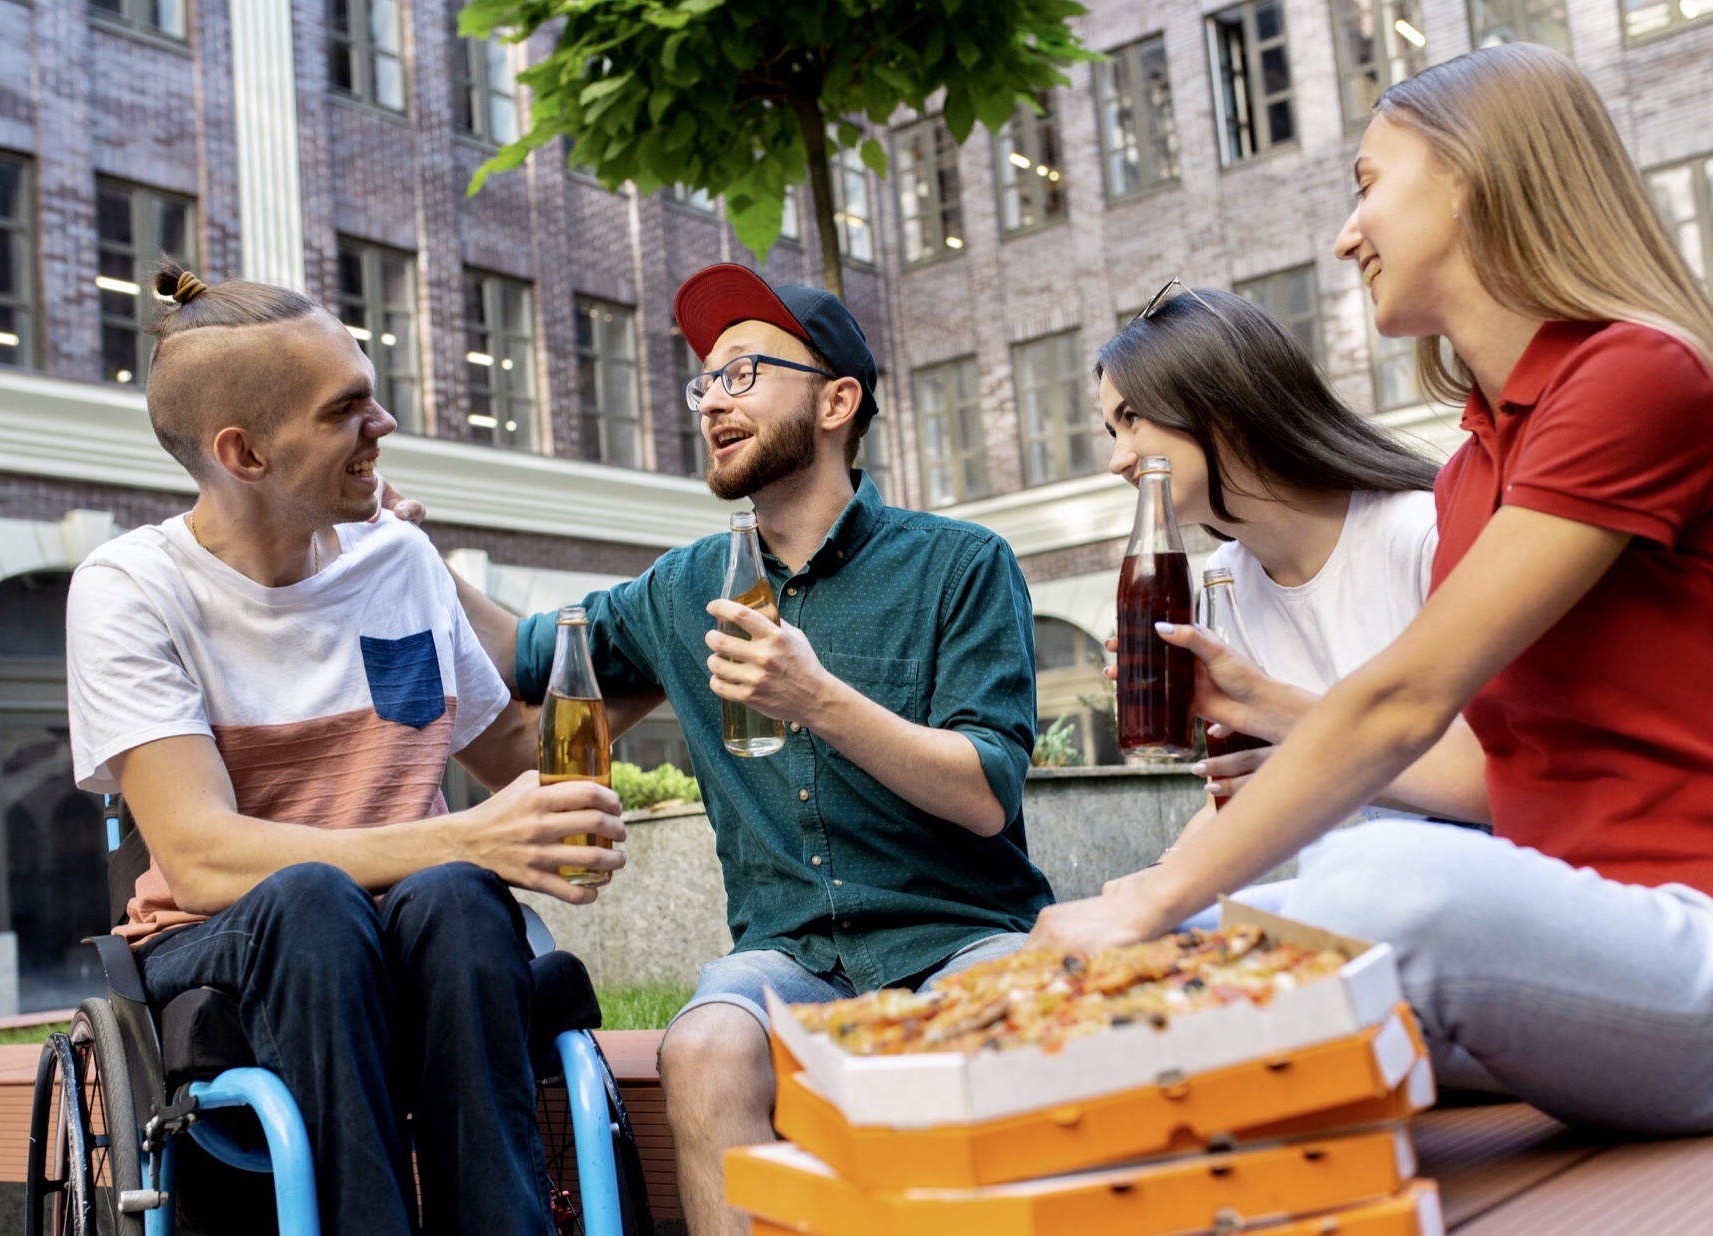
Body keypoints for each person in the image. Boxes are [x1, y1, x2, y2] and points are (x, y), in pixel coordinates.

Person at [1033, 42, 1713, 1134]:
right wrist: (1253, 713)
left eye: (1366, 185)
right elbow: (1492, 773)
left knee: (1372, 879)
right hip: (1577, 946)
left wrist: (1155, 894)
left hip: (1681, 934)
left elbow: (1402, 702)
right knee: (1159, 954)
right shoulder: (1471, 471)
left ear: (1470, 177)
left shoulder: (1635, 374)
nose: (1347, 235)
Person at [451, 263, 1055, 1236]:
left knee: (1000, 1027)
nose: (711, 401)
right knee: (703, 1049)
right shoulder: (681, 587)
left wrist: (815, 698)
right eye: (705, 381)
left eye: (744, 373)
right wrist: (399, 543)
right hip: (785, 956)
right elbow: (519, 655)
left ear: (835, 402)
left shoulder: (961, 563)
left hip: (960, 938)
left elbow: (986, 793)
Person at [65, 261, 628, 1236]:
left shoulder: (397, 559)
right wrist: (468, 839)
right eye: (347, 410)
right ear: (243, 452)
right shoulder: (132, 590)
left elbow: (515, 753)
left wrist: (687, 658)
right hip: (228, 938)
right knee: (318, 900)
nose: (386, 426)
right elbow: (199, 859)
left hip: (419, 926)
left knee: (457, 895)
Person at [1095, 286, 1487, 826]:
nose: (1118, 460)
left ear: (1222, 403)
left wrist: (1306, 749)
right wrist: (1158, 875)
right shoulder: (1224, 578)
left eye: (1133, 417)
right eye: (1111, 431)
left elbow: (1510, 779)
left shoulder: (1422, 534)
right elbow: (1234, 796)